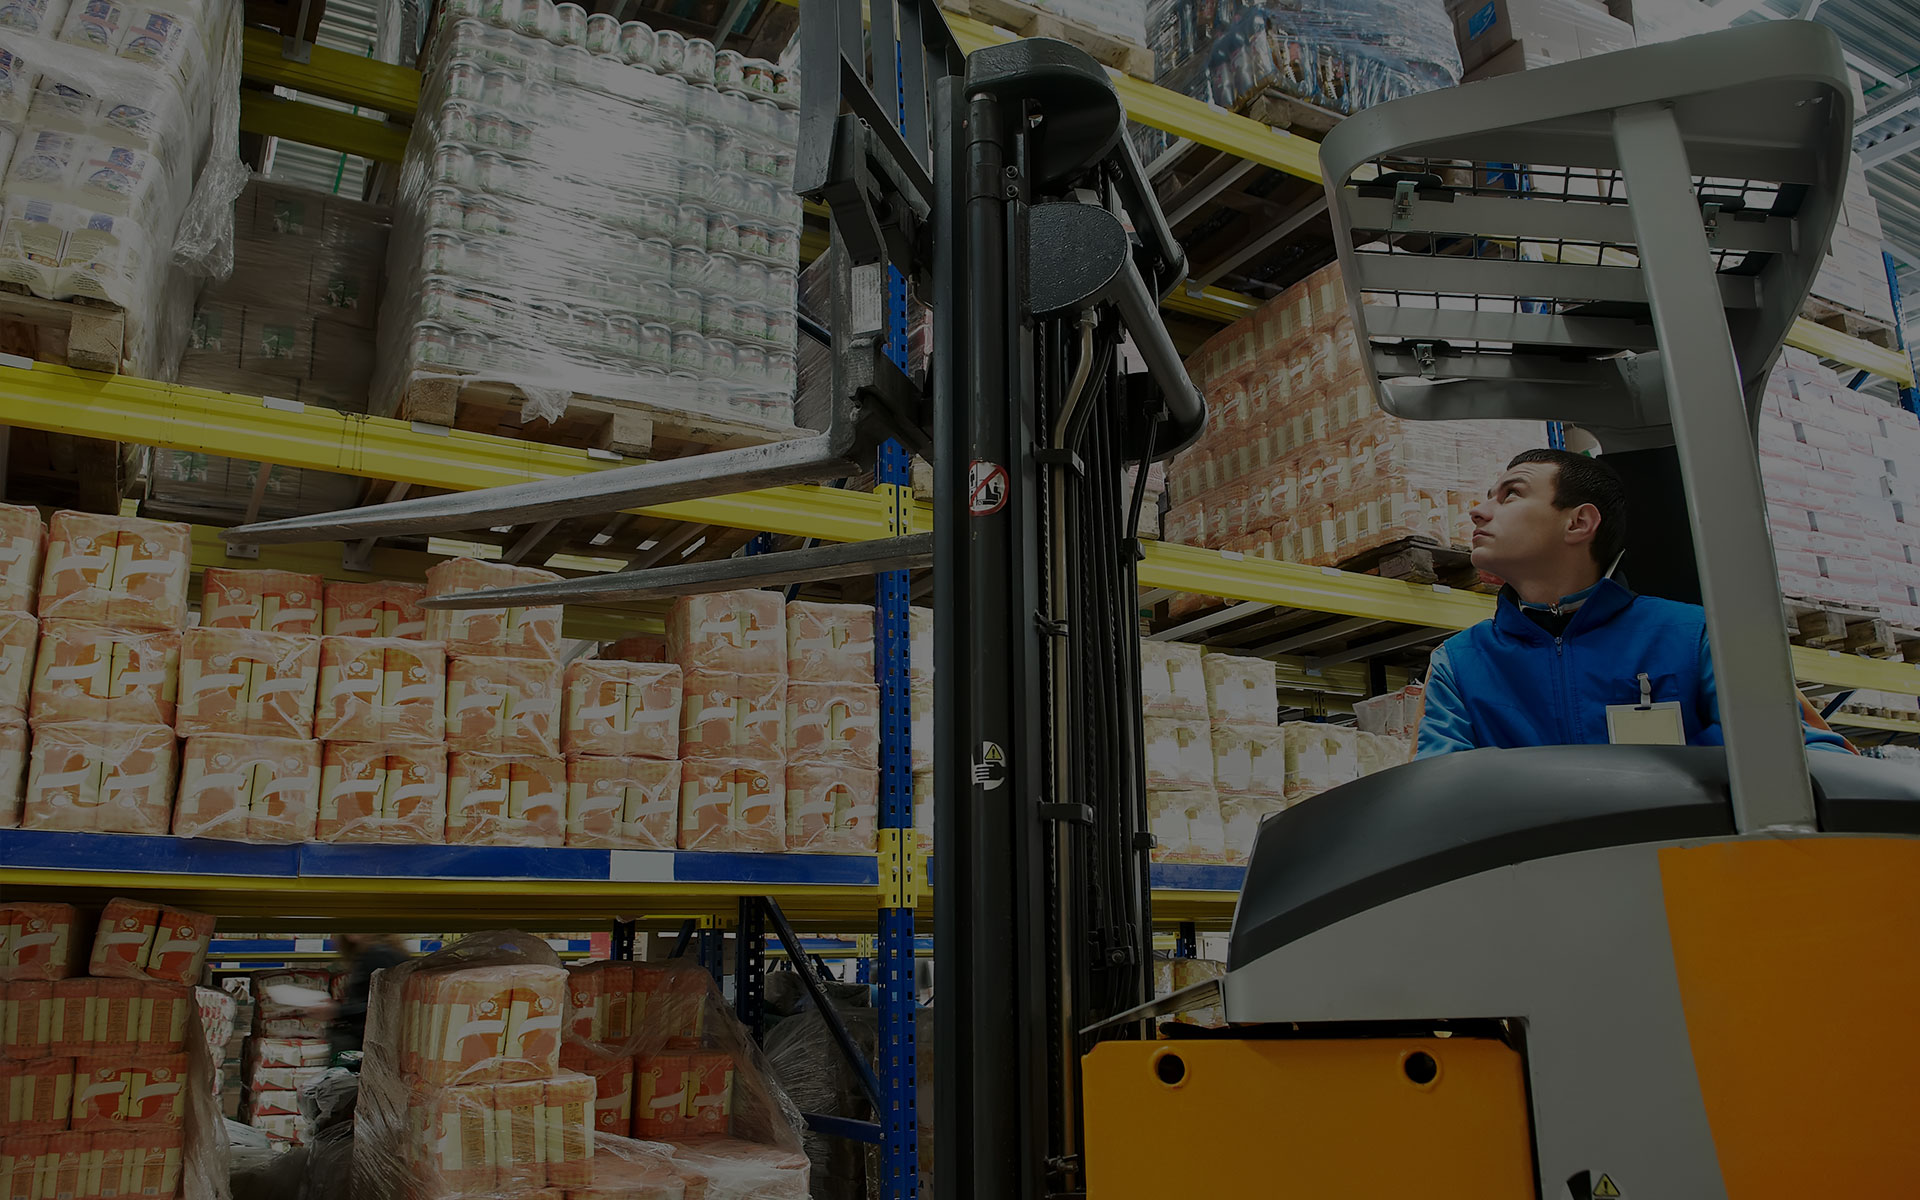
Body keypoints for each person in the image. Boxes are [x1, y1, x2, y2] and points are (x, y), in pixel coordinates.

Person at [1417, 447, 1850, 757]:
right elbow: (1437, 798)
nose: (1478, 511)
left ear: (1579, 522)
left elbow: (1809, 758)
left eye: (1510, 494)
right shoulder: (1459, 662)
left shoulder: (1699, 637)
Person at [329, 933, 412, 1060]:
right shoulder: (373, 952)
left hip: (373, 1050)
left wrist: (336, 1011)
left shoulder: (379, 954)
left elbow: (383, 1006)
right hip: (375, 1047)